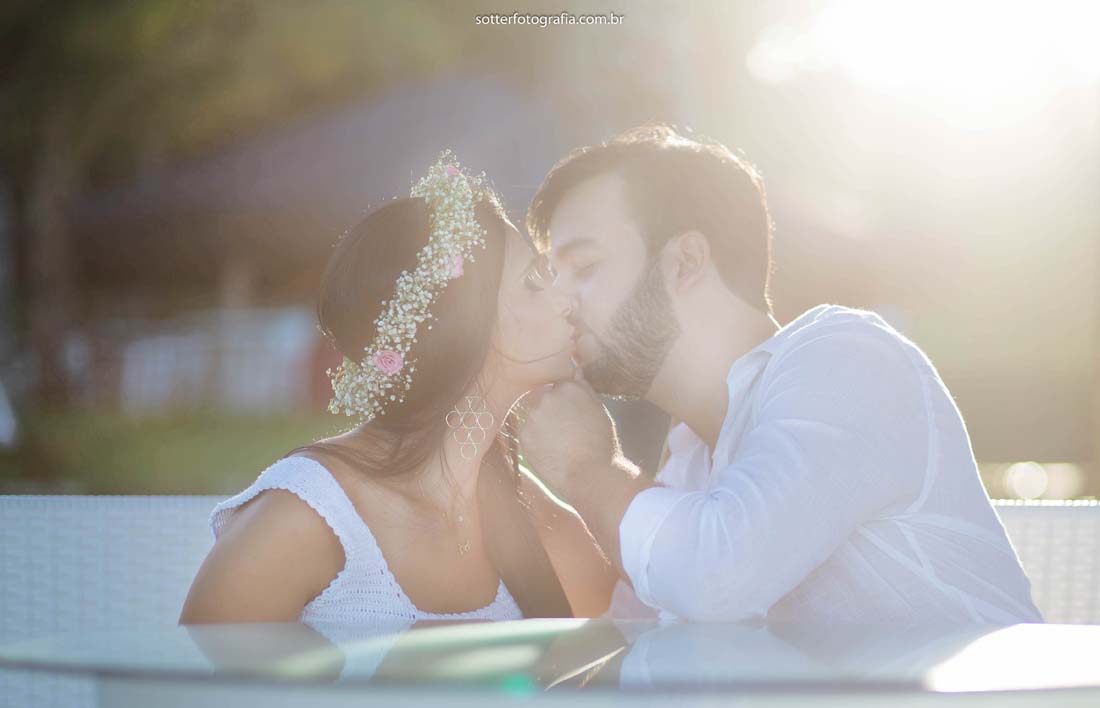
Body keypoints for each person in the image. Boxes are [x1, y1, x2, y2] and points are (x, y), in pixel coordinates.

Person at [515, 124, 1043, 625]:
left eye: (583, 268)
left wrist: (587, 469)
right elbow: (640, 635)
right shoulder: (693, 453)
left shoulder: (847, 360)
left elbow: (719, 575)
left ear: (685, 262)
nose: (559, 301)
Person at [180, 154, 617, 628]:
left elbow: (642, 636)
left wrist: (595, 470)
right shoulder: (307, 518)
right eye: (535, 281)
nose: (567, 298)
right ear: (463, 325)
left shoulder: (529, 513)